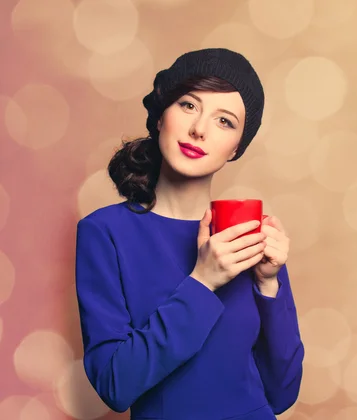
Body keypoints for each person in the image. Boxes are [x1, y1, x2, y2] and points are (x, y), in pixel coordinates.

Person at [75, 48, 304, 420]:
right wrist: (202, 282)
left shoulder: (244, 237)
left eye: (225, 121)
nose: (199, 129)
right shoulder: (105, 233)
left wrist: (269, 286)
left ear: (236, 149)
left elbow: (280, 393)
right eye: (188, 105)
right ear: (161, 115)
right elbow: (115, 385)